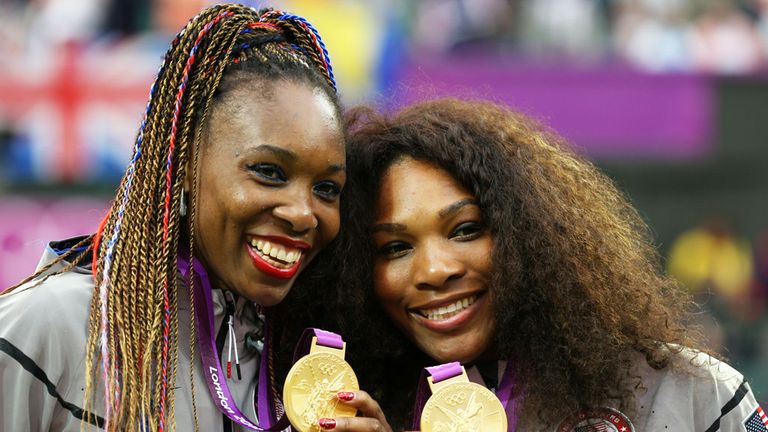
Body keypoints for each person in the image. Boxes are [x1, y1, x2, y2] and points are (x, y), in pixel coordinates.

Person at [0, 4, 387, 431]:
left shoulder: (302, 363)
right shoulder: (49, 325)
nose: (303, 214)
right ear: (183, 160)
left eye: (326, 189)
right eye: (268, 172)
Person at [330, 98, 766, 431]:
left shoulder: (691, 392)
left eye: (465, 230)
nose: (434, 270)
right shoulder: (356, 407)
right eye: (394, 248)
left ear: (530, 234)